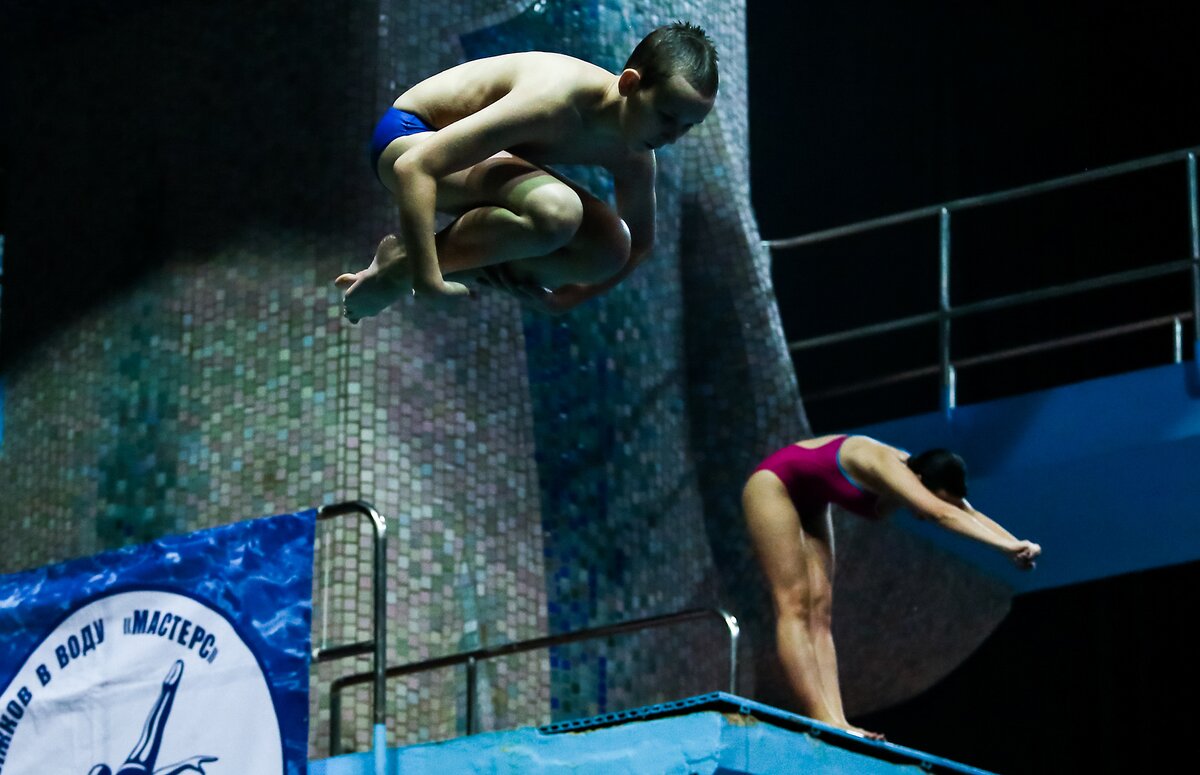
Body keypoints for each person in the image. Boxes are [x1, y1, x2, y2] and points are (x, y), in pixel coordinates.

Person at [335, 21, 719, 320]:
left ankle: (415, 265)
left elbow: (639, 245)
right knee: (557, 212)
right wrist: (427, 279)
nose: (673, 135)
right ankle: (400, 271)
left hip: (458, 161)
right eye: (667, 116)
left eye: (687, 126)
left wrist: (569, 298)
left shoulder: (635, 154)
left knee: (608, 248)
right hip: (411, 137)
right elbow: (414, 167)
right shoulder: (554, 100)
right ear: (630, 84)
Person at [742, 434, 1041, 741]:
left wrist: (1014, 545)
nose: (922, 512)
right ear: (919, 481)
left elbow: (967, 512)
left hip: (812, 501)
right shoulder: (889, 466)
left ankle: (838, 720)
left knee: (821, 613)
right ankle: (822, 718)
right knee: (794, 606)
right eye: (931, 499)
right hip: (773, 485)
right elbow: (942, 513)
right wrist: (1004, 548)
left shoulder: (928, 473)